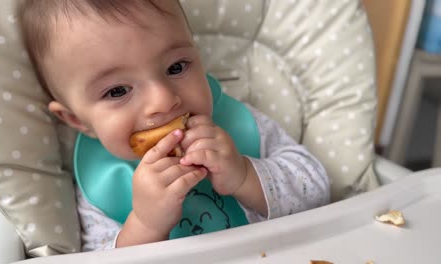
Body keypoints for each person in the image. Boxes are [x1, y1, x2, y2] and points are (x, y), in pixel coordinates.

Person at [18, 0, 330, 251]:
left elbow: (317, 192)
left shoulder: (240, 125)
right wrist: (144, 225)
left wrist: (245, 175)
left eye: (176, 67)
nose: (163, 101)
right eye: (117, 91)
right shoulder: (101, 181)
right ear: (76, 120)